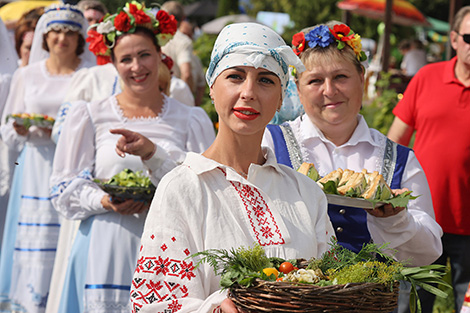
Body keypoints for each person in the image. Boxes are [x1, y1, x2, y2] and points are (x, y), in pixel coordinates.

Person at [130, 22, 334, 312]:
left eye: (265, 80)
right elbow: (156, 304)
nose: (249, 92)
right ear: (212, 86)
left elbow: (335, 287)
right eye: (235, 76)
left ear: (280, 98)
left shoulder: (306, 194)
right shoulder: (183, 188)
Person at [49, 3, 215, 312]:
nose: (137, 67)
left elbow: (207, 186)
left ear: (160, 55)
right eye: (125, 59)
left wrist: (154, 155)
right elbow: (63, 187)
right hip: (104, 244)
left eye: (144, 55)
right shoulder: (90, 114)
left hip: (170, 248)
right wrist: (105, 201)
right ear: (112, 64)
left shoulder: (190, 118)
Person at [262, 22, 442, 267]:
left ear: (361, 78)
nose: (329, 90)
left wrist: (397, 220)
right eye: (315, 81)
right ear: (298, 88)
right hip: (289, 301)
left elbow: (428, 253)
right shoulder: (269, 143)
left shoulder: (399, 159)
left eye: (340, 77)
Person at [0, 4, 94, 312]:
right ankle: (29, 300)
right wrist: (20, 128)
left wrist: (61, 128)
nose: (62, 39)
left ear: (80, 37)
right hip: (36, 163)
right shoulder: (26, 75)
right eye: (55, 31)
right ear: (45, 35)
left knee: (65, 233)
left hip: (74, 163)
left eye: (69, 32)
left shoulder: (89, 75)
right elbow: (7, 129)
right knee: (34, 233)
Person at [387, 6, 470, 312]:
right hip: (422, 219)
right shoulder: (427, 77)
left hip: (468, 226)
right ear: (454, 39)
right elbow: (395, 142)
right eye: (469, 36)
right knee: (408, 306)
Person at [161, 1, 194, 91]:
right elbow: (186, 74)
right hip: (173, 94)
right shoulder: (183, 41)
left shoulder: (152, 36)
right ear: (183, 18)